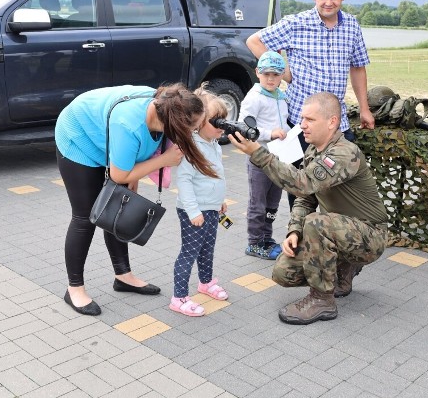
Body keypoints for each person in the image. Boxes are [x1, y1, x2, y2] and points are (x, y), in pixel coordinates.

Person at [55, 84, 217, 316]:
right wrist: (164, 161)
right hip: (79, 137)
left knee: (117, 206)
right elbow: (119, 174)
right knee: (85, 217)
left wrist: (135, 174)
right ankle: (74, 289)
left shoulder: (166, 104)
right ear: (173, 124)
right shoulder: (128, 124)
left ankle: (123, 276)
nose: (194, 132)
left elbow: (129, 165)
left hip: (110, 137)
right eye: (191, 127)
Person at [229, 92, 388, 325]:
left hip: (370, 235)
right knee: (283, 271)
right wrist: (294, 231)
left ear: (332, 122)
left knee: (317, 223)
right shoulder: (314, 151)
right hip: (341, 231)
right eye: (302, 118)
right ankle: (344, 268)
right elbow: (305, 196)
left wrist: (258, 153)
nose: (302, 125)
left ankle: (322, 300)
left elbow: (302, 182)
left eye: (310, 120)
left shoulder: (344, 152)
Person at [246, 0, 375, 208]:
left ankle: (333, 235)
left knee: (340, 190)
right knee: (301, 191)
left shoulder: (352, 26)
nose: (329, 2)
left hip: (338, 126)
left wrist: (365, 109)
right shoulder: (296, 23)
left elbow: (358, 68)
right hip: (300, 125)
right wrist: (284, 72)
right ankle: (299, 237)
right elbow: (254, 41)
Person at [169, 90, 230, 316]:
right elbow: (184, 181)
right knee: (190, 252)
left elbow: (214, 175)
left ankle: (205, 282)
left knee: (207, 249)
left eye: (223, 119)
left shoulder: (213, 143)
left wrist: (219, 201)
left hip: (211, 209)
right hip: (193, 212)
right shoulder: (192, 146)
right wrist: (193, 211)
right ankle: (179, 297)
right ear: (199, 122)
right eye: (216, 121)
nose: (221, 125)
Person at [239, 51, 290, 260]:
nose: (271, 78)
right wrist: (270, 134)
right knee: (257, 203)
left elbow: (282, 122)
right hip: (258, 158)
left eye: (276, 75)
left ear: (282, 76)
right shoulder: (254, 98)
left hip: (277, 159)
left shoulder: (280, 96)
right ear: (257, 72)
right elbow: (244, 127)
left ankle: (266, 238)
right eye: (267, 74)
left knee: (272, 202)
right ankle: (254, 242)